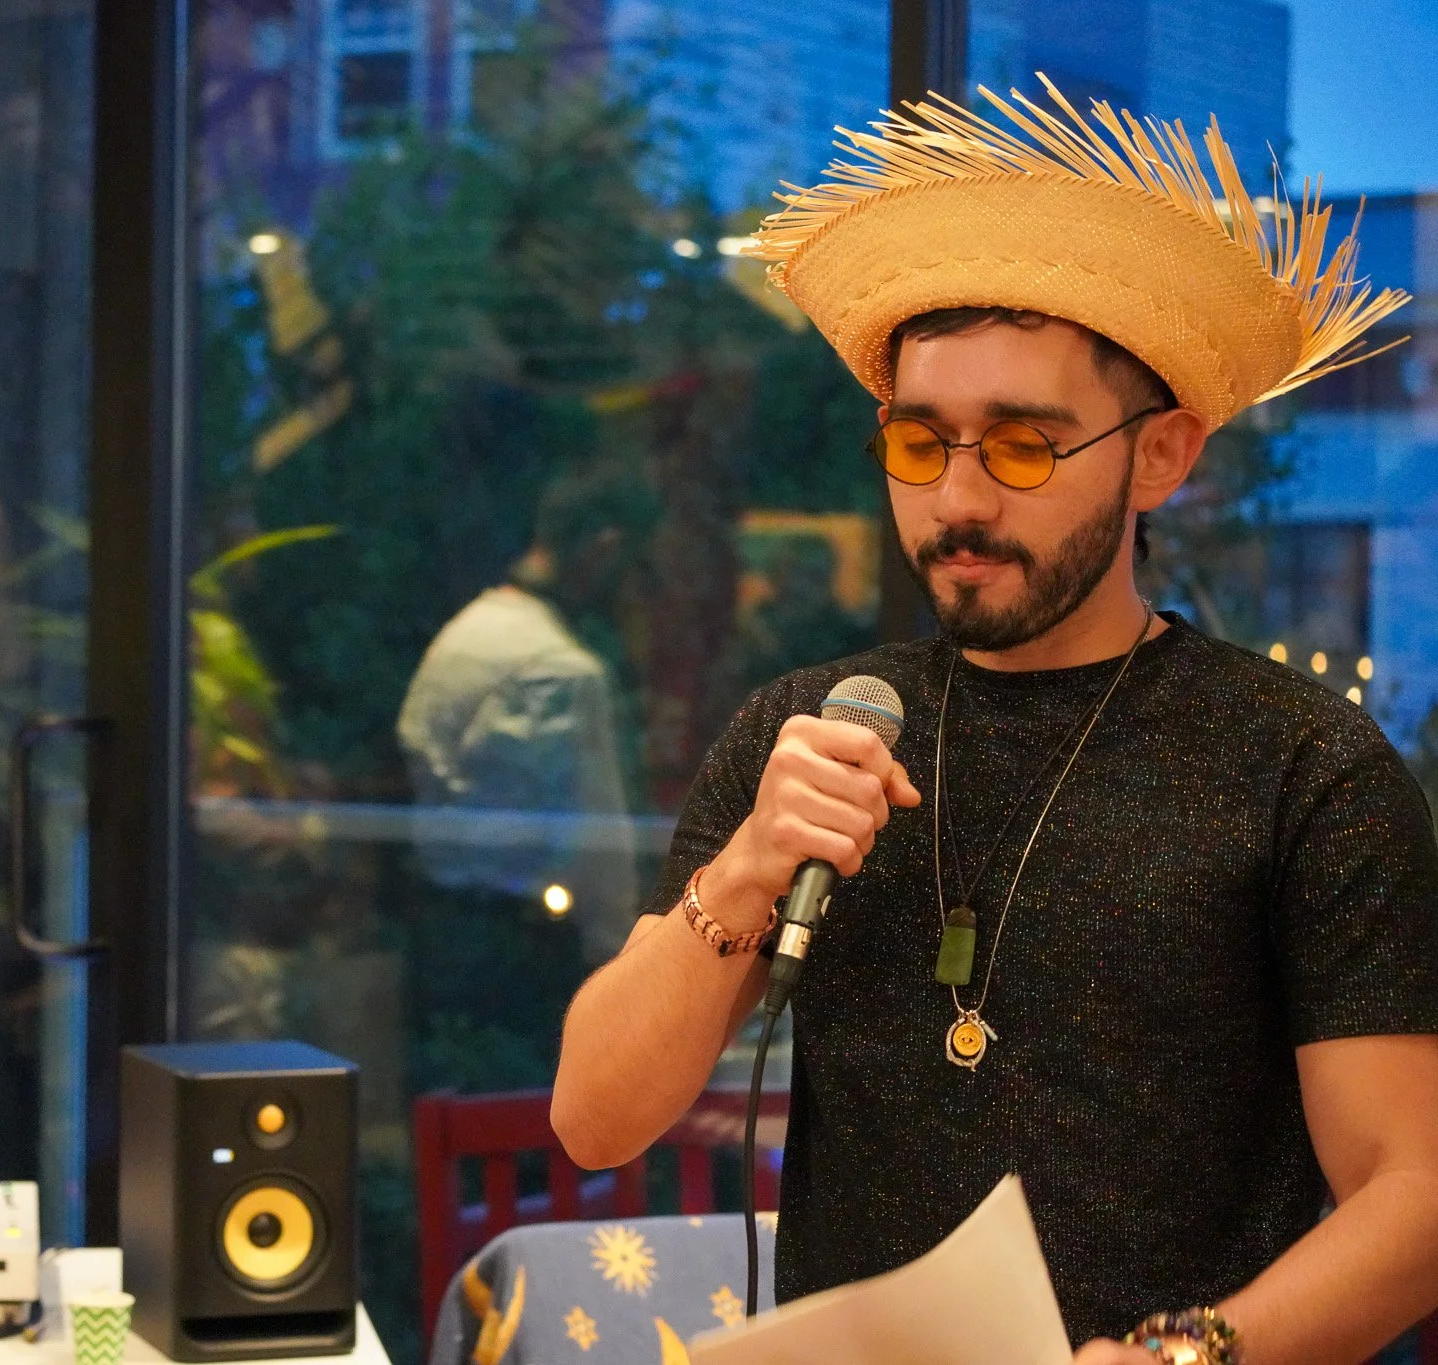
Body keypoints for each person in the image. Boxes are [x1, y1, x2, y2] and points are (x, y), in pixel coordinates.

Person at [551, 77, 1438, 1365]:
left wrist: (1181, 1356)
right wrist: (744, 869)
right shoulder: (812, 730)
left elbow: (1409, 1199)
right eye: (921, 445)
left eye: (1021, 447)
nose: (959, 500)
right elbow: (593, 1118)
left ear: (1159, 455)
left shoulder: (1301, 768)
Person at [397, 463, 651, 965]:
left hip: (436, 926)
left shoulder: (465, 631)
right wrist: (619, 957)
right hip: (524, 948)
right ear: (604, 549)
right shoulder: (560, 670)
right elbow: (597, 847)